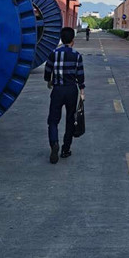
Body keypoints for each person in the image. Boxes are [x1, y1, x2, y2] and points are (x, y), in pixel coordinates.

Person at [44, 26, 85, 163]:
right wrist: (82, 91)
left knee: (53, 120)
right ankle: (65, 149)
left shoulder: (53, 53)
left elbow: (47, 70)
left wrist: (49, 80)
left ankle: (54, 143)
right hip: (71, 90)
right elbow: (80, 75)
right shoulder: (77, 55)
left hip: (57, 90)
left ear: (61, 39)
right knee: (70, 119)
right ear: (73, 40)